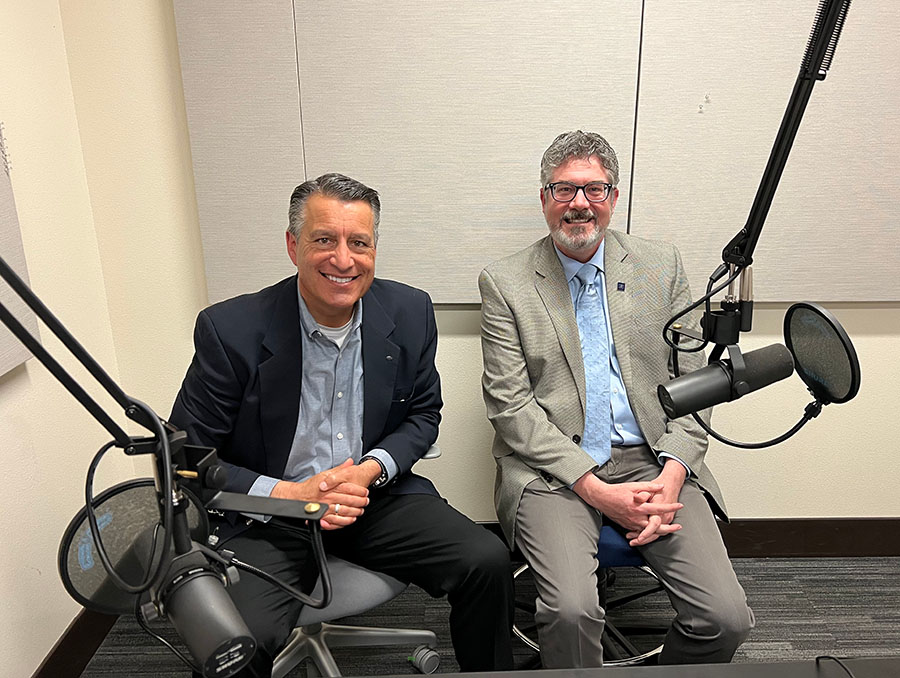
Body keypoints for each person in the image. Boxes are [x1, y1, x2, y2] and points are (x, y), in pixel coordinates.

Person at [170, 173, 514, 676]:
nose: (344, 259)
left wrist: (369, 470)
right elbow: (187, 459)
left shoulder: (409, 310)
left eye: (359, 242)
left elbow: (423, 414)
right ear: (293, 246)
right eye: (324, 240)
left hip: (370, 498)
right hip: (270, 513)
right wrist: (286, 494)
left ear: (375, 248)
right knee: (234, 642)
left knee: (486, 561)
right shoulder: (231, 330)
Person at [478, 131, 754, 668]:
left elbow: (695, 383)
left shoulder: (662, 266)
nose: (579, 204)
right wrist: (597, 491)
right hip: (554, 468)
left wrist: (673, 471)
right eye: (564, 190)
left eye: (594, 190)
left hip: (654, 460)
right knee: (570, 613)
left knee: (725, 618)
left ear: (614, 196)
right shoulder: (505, 283)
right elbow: (510, 409)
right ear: (544, 198)